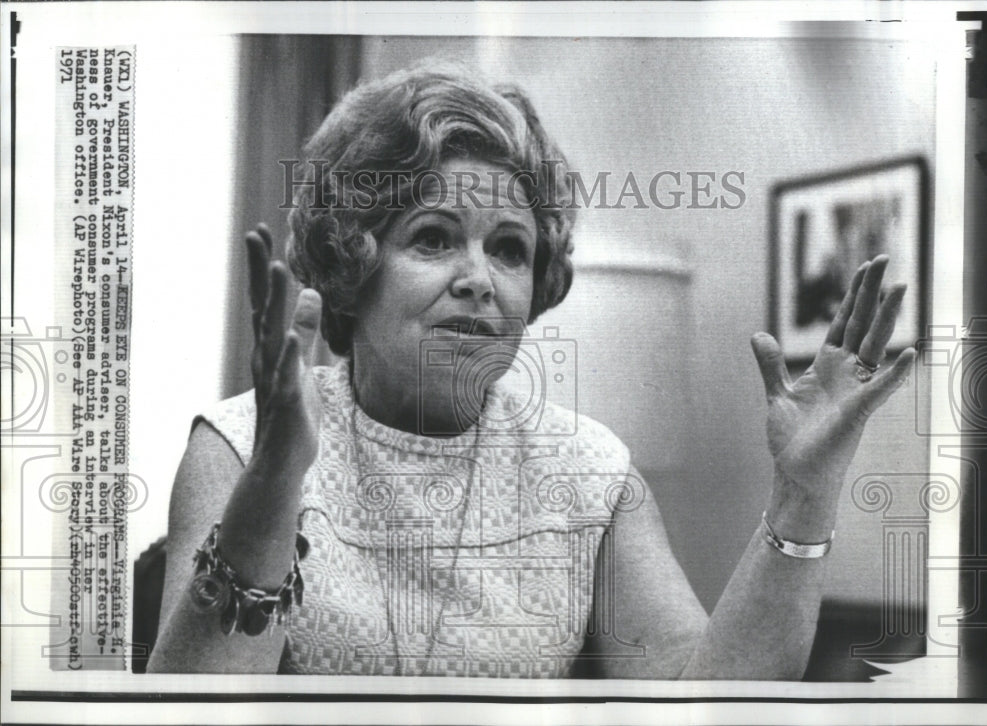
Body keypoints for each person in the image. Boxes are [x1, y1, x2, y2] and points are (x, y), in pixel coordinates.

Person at [147, 63, 914, 677]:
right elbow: (193, 711)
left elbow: (700, 700)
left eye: (509, 248)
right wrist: (275, 483)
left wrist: (804, 494)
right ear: (354, 264)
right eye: (434, 237)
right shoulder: (240, 444)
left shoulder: (589, 473)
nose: (480, 277)